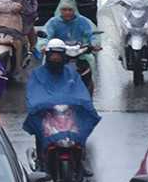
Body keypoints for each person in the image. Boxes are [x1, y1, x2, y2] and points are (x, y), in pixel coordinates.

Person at [22, 38, 100, 169]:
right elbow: (33, 94)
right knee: (40, 129)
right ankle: (41, 160)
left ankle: (80, 162)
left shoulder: (71, 73)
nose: (56, 58)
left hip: (66, 113)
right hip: (48, 114)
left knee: (79, 129)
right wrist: (39, 106)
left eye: (59, 55)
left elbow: (81, 92)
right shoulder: (38, 73)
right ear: (48, 55)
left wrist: (84, 105)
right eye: (53, 55)